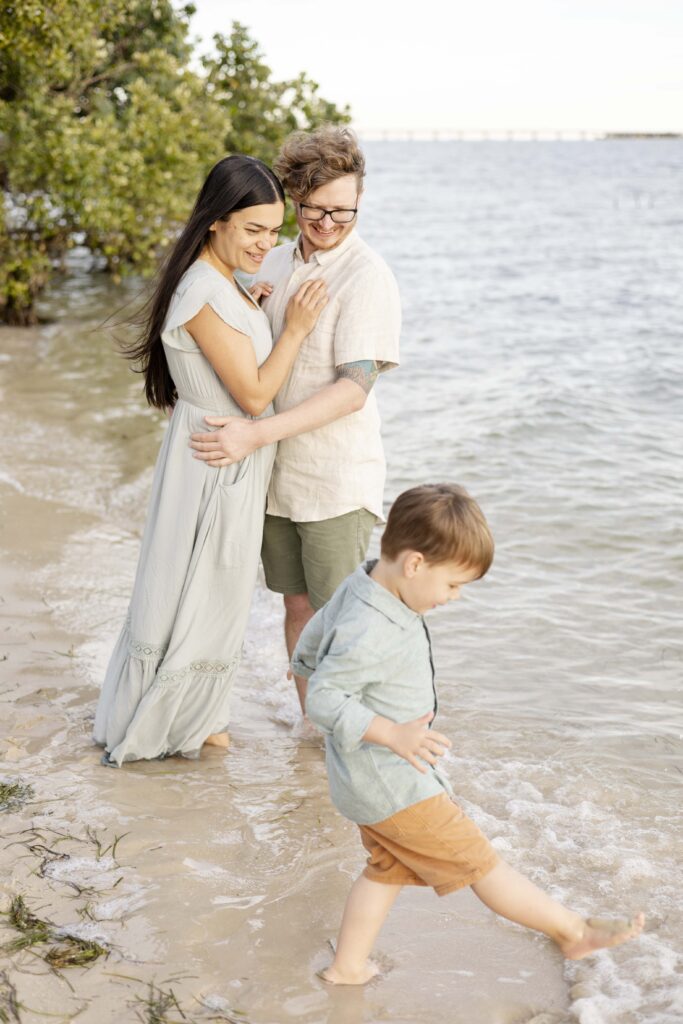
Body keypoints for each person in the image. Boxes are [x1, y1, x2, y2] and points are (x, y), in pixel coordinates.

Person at [292, 483, 645, 984]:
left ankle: (348, 966)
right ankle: (572, 932)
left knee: (386, 868)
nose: (454, 598)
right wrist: (392, 733)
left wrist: (303, 663)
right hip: (395, 783)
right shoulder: (373, 627)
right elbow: (324, 701)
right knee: (483, 865)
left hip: (369, 782)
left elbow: (315, 639)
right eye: (454, 585)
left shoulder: (366, 580)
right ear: (414, 564)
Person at [93, 155, 327, 766]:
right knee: (204, 587)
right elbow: (253, 394)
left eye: (275, 231)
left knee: (206, 587)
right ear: (216, 222)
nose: (266, 243)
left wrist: (251, 299)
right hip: (215, 461)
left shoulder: (219, 284)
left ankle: (198, 717)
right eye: (253, 229)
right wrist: (295, 329)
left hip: (223, 454)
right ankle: (185, 722)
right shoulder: (202, 290)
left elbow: (231, 358)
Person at [190, 126, 401, 714]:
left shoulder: (367, 276)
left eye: (344, 211)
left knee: (343, 618)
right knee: (297, 608)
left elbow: (353, 391)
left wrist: (254, 433)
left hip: (336, 479)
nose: (329, 223)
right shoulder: (274, 260)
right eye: (314, 209)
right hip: (274, 478)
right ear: (293, 197)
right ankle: (315, 733)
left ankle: (363, 733)